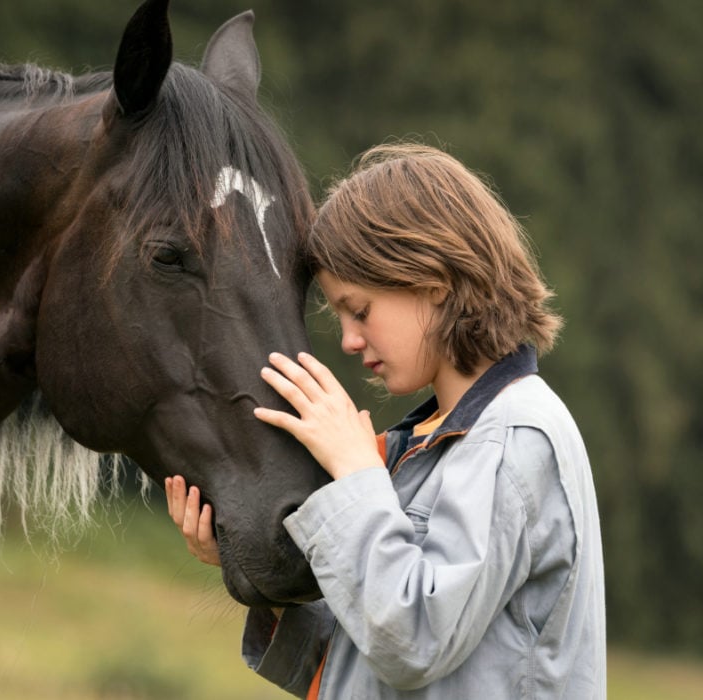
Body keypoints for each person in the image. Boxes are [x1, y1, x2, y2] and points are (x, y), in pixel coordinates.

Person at [165, 142, 605, 698]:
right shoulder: (429, 441)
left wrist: (354, 474)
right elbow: (365, 663)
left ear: (434, 284)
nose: (349, 340)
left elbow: (414, 641)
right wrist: (256, 572)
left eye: (361, 310)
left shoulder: (514, 436)